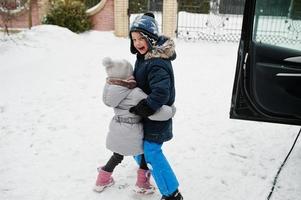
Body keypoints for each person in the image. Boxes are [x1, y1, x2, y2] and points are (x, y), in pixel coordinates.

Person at [94, 57, 176, 194]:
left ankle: (102, 178)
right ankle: (142, 184)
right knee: (144, 153)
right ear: (127, 76)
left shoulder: (110, 90)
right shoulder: (134, 93)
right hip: (132, 129)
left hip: (117, 127)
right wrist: (171, 110)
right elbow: (154, 111)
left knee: (117, 155)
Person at [129, 13, 183, 200]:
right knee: (137, 147)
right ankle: (144, 177)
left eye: (141, 38)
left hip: (157, 116)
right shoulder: (144, 57)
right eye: (134, 39)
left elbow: (161, 92)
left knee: (151, 151)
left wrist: (147, 106)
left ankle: (172, 193)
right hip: (147, 116)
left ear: (150, 38)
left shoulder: (156, 62)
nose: (137, 43)